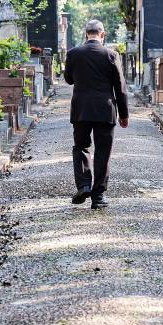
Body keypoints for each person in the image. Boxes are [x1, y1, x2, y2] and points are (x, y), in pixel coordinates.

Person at [63, 19, 129, 209]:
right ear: (102, 34)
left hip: (81, 110)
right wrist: (124, 114)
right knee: (102, 152)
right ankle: (98, 197)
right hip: (105, 110)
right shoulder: (111, 55)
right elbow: (120, 87)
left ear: (86, 34)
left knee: (81, 147)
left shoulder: (74, 54)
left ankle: (84, 185)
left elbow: (68, 80)